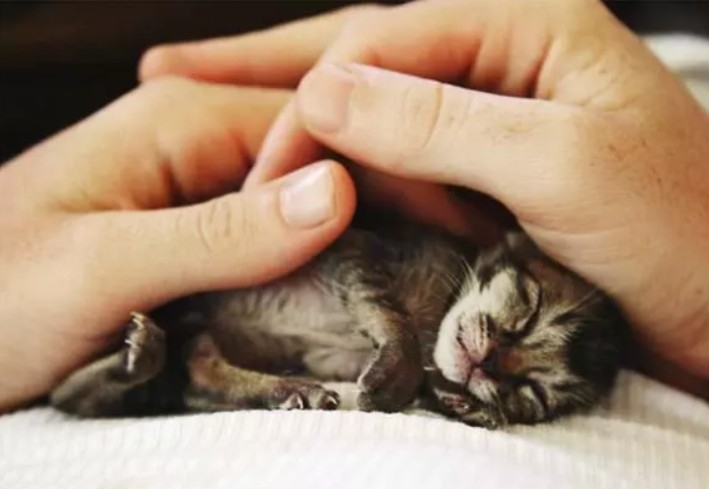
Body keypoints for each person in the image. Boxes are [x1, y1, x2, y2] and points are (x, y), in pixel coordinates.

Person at [0, 0, 707, 413]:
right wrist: (392, 334)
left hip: (212, 344)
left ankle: (186, 374)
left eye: (531, 391)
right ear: (514, 249)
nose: (496, 356)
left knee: (148, 377)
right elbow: (351, 253)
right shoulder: (441, 265)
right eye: (521, 314)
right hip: (187, 263)